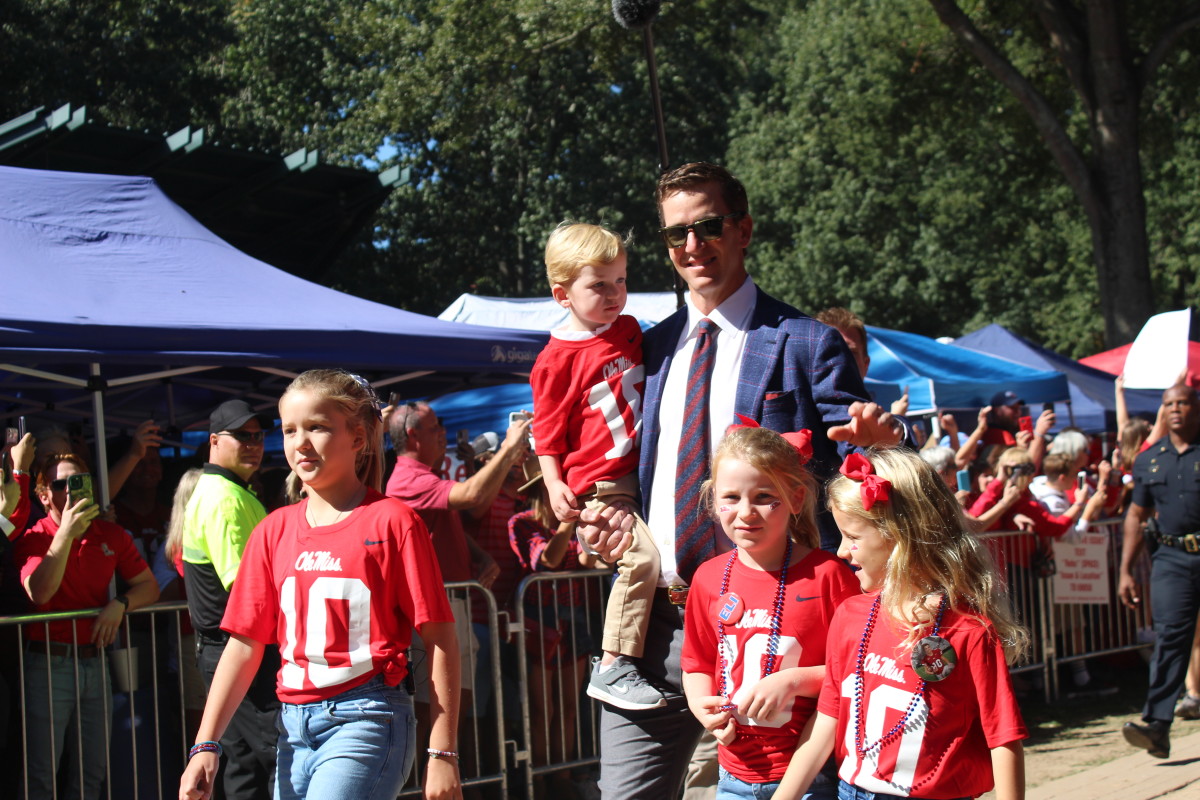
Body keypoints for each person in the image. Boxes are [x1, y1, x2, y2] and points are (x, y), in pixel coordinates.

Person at [579, 162, 904, 800]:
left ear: (744, 229)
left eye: (708, 226)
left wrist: (889, 444)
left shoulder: (806, 342)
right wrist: (602, 511)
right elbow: (617, 462)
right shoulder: (646, 350)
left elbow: (875, 464)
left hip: (778, 631)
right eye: (677, 235)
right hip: (658, 624)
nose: (692, 247)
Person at [179, 369, 462, 800]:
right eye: (290, 429)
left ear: (359, 439)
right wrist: (205, 743)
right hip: (291, 728)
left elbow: (440, 636)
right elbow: (243, 644)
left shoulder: (395, 522)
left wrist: (442, 751)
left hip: (368, 717)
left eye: (318, 427)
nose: (301, 442)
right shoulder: (272, 530)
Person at [777, 448, 1028, 800]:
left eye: (853, 538)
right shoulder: (849, 616)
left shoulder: (969, 632)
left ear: (900, 537)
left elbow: (1002, 737)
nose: (842, 553)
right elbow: (827, 720)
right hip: (851, 791)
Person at [530, 221, 666, 711]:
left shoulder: (631, 330)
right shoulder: (554, 359)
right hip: (599, 483)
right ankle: (612, 665)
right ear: (562, 294)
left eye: (622, 281)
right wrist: (552, 482)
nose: (615, 294)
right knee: (640, 559)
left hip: (643, 472)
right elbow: (545, 431)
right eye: (599, 285)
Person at [681, 423, 858, 799]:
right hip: (731, 777)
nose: (746, 513)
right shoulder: (708, 578)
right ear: (714, 500)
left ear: (795, 498)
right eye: (731, 497)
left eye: (764, 496)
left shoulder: (829, 576)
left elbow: (856, 672)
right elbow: (696, 663)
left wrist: (792, 681)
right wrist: (701, 706)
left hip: (813, 777)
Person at [16, 452, 160, 799]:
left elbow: (150, 587)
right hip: (49, 665)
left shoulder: (109, 533)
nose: (71, 489)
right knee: (41, 775)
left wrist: (120, 603)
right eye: (60, 483)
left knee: (92, 773)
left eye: (78, 481)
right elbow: (40, 592)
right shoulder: (34, 537)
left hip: (95, 662)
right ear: (44, 496)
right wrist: (65, 534)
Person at [182, 398, 279, 800]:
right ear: (214, 441)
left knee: (244, 767)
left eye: (258, 436)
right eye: (242, 435)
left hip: (225, 651)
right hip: (241, 653)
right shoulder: (225, 498)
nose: (253, 444)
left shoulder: (219, 490)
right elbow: (247, 592)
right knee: (280, 756)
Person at [1118, 383, 1200, 759]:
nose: (1176, 409)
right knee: (1170, 638)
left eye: (1183, 402)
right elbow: (1137, 515)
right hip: (1171, 558)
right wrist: (1126, 570)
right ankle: (1157, 726)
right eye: (1169, 404)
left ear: (1195, 407)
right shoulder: (1150, 460)